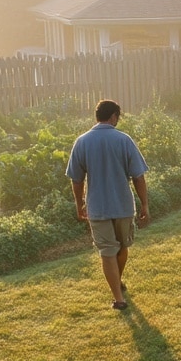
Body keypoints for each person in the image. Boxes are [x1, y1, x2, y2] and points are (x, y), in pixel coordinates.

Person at [66, 99, 150, 310]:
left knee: (107, 251)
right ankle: (118, 291)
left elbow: (76, 179)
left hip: (97, 208)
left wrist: (79, 204)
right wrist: (145, 205)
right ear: (113, 116)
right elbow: (138, 177)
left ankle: (117, 294)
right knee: (122, 247)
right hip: (122, 205)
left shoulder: (82, 141)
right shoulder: (124, 140)